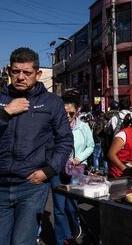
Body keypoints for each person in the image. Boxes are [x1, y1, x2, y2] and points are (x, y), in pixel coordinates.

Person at [0, 47, 73, 245]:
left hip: (32, 186)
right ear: (9, 72)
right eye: (16, 71)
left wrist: (50, 170)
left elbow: (65, 140)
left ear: (38, 74)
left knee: (22, 242)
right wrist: (4, 113)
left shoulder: (52, 102)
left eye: (27, 72)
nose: (20, 77)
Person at [51, 95, 94, 245]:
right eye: (64, 113)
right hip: (57, 170)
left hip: (76, 170)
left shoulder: (83, 127)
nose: (68, 116)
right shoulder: (54, 127)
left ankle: (75, 227)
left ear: (77, 111)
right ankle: (63, 239)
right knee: (58, 206)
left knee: (71, 205)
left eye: (71, 113)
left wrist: (79, 158)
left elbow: (91, 146)